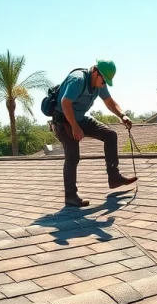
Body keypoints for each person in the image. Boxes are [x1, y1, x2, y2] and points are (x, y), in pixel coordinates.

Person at [51, 59, 137, 208]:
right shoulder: (78, 80)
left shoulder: (99, 84)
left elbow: (109, 102)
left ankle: (114, 177)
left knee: (110, 135)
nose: (104, 84)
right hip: (64, 120)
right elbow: (65, 103)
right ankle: (70, 196)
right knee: (73, 156)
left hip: (80, 118)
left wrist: (122, 115)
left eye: (106, 82)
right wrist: (75, 127)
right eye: (103, 80)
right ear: (95, 71)